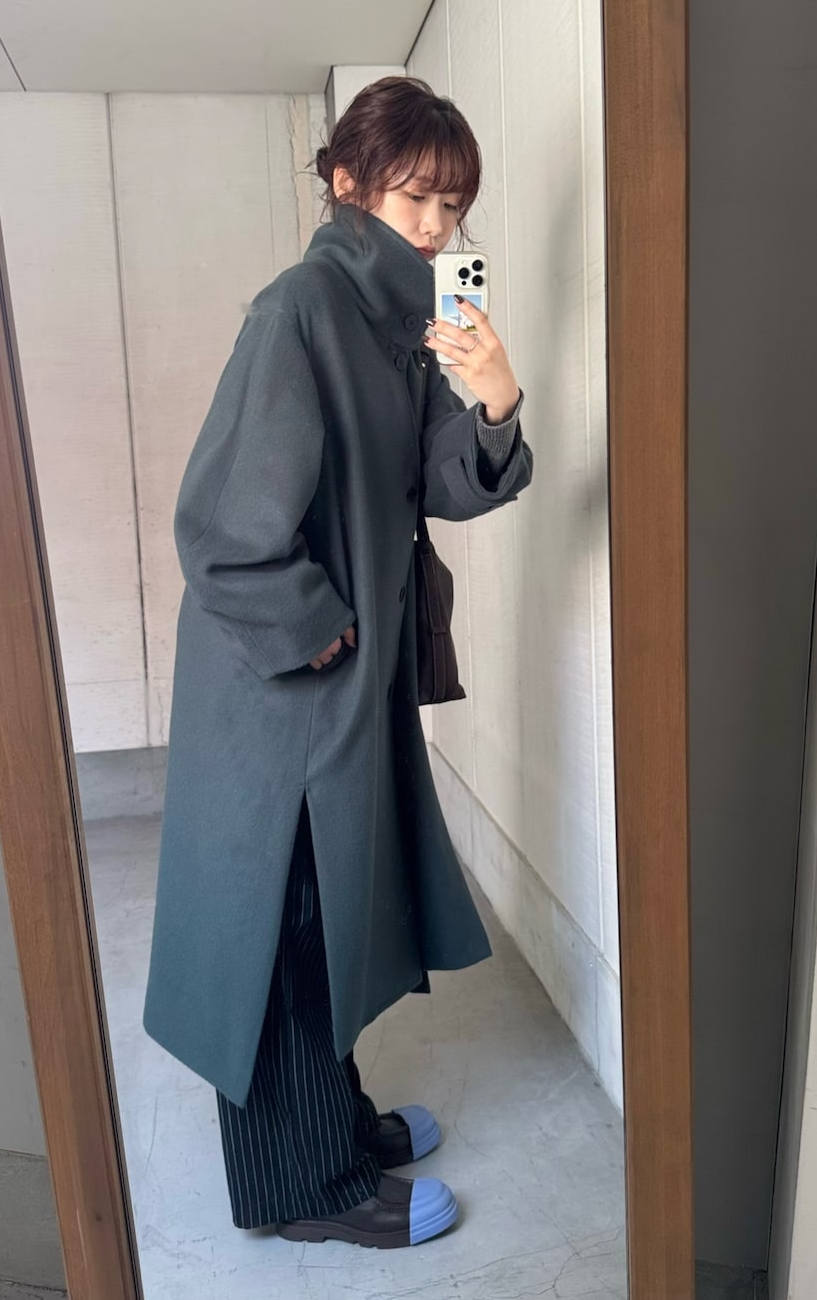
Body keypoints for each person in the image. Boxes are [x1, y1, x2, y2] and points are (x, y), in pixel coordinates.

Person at [142, 75, 533, 1249]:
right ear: (348, 182)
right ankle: (304, 1187)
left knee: (334, 908)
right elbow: (220, 529)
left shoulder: (397, 326)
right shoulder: (301, 310)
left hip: (341, 686)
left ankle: (335, 1122)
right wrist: (313, 623)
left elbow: (443, 483)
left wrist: (494, 401)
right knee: (284, 920)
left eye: (452, 204)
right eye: (416, 197)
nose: (435, 227)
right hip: (285, 688)